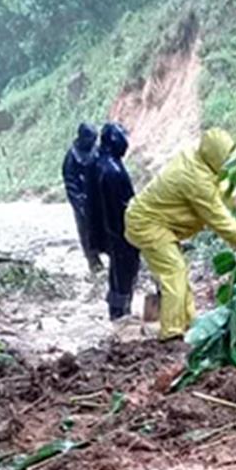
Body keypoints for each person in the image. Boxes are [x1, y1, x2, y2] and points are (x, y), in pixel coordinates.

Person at [125, 128, 236, 341]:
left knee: (179, 271)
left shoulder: (199, 160)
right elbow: (220, 221)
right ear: (215, 156)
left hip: (158, 222)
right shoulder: (194, 178)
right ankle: (171, 334)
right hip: (147, 223)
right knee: (174, 271)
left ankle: (188, 323)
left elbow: (223, 184)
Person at [90, 121, 140, 321]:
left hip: (112, 232)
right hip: (119, 232)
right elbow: (121, 207)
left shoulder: (102, 163)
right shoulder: (112, 170)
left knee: (118, 273)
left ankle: (117, 310)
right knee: (124, 273)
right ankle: (120, 314)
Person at [61, 122, 102, 274]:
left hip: (98, 198)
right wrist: (79, 203)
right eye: (90, 138)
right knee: (86, 232)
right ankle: (93, 262)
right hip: (82, 200)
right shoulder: (71, 156)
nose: (92, 141)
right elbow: (70, 182)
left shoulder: (96, 151)